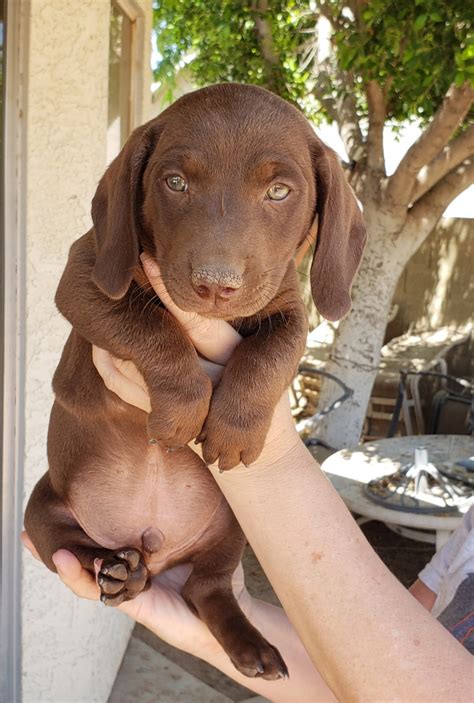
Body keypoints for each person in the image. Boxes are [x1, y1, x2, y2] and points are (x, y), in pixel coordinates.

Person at [23, 255, 472, 703]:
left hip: (189, 516)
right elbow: (387, 657)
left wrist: (266, 449)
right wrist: (218, 628)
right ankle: (213, 593)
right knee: (47, 516)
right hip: (92, 500)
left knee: (227, 504)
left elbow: (287, 330)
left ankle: (212, 586)